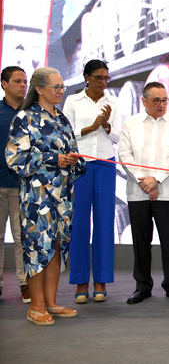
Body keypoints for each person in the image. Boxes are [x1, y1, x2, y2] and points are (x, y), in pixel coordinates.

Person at [5, 67, 85, 325]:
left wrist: (75, 161)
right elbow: (14, 159)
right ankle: (36, 306)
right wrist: (53, 158)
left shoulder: (62, 119)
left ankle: (50, 302)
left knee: (57, 247)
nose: (62, 91)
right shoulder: (24, 118)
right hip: (36, 197)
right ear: (39, 89)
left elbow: (73, 153)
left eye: (62, 86)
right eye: (57, 87)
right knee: (38, 247)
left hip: (63, 196)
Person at [118, 82, 169, 304]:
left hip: (167, 193)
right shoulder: (131, 124)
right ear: (144, 102)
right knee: (141, 242)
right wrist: (144, 181)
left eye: (165, 100)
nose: (161, 105)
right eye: (156, 101)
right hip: (138, 192)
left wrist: (156, 179)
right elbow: (124, 154)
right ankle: (142, 286)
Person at [63, 60, 120, 303]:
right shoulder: (73, 101)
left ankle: (101, 282)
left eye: (106, 78)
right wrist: (90, 127)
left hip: (106, 164)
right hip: (80, 165)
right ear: (86, 77)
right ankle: (79, 283)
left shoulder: (113, 102)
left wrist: (106, 126)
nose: (103, 82)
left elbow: (117, 136)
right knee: (79, 224)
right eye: (98, 78)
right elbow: (65, 135)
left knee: (105, 223)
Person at [0, 66, 30, 303]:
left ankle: (25, 284)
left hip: (24, 186)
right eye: (18, 81)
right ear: (4, 84)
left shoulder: (31, 114)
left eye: (25, 81)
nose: (23, 85)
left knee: (22, 238)